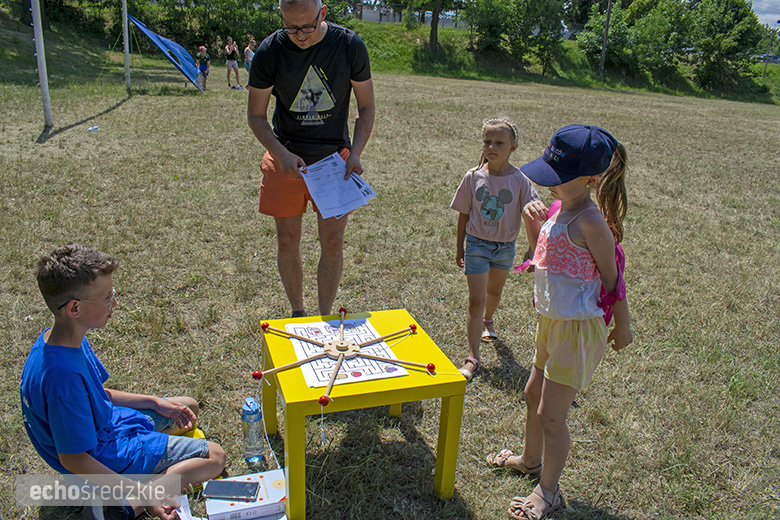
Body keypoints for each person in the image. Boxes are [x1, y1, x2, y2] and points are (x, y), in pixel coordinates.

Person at [486, 125, 633, 519]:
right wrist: (535, 226)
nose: (548, 184)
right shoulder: (558, 210)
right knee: (533, 395)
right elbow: (542, 257)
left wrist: (623, 324)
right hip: (551, 321)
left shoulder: (590, 221)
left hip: (577, 328)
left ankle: (548, 491)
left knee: (550, 414)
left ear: (590, 179)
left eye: (558, 177)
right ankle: (531, 460)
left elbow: (612, 276)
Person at [20, 244, 226, 520]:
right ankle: (133, 498)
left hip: (105, 427)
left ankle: (125, 487)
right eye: (107, 297)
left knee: (186, 407)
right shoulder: (63, 378)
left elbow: (99, 394)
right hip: (101, 454)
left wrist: (156, 402)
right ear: (75, 308)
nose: (114, 303)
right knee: (214, 456)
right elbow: (74, 457)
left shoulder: (59, 338)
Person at [247, 0, 375, 318]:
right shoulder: (269, 51)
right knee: (287, 240)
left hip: (335, 160)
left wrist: (356, 151)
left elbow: (367, 107)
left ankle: (325, 316)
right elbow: (256, 116)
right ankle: (298, 313)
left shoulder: (349, 46)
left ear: (323, 12)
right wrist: (281, 154)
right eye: (291, 27)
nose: (300, 35)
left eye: (307, 26)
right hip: (285, 157)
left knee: (333, 242)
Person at [450, 117, 545, 381]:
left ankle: (488, 320)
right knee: (476, 299)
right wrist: (460, 247)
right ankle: (473, 358)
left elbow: (533, 213)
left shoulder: (521, 180)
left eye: (499, 142)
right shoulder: (473, 177)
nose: (492, 146)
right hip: (477, 245)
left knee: (494, 293)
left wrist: (533, 248)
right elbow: (463, 214)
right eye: (487, 141)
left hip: (505, 247)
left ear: (513, 147)